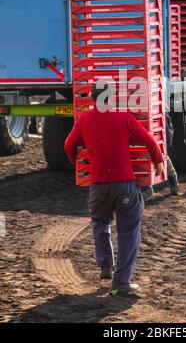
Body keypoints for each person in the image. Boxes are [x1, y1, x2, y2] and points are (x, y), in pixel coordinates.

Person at [64, 83, 164, 295]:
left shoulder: (84, 120)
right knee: (128, 230)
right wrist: (159, 160)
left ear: (92, 98)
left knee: (100, 222)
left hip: (98, 185)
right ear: (111, 98)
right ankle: (121, 281)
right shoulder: (123, 117)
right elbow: (148, 139)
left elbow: (68, 145)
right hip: (124, 185)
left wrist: (77, 161)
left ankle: (105, 266)